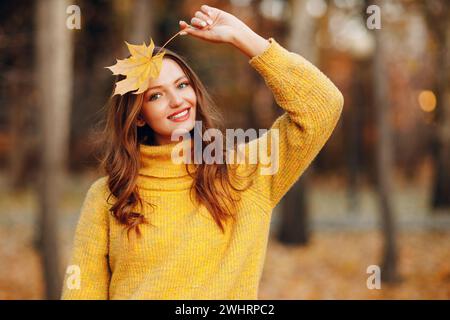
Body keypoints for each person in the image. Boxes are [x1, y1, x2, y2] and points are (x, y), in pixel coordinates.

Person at [61, 4, 344, 299]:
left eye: (182, 85)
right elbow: (82, 292)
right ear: (139, 115)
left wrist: (244, 38)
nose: (177, 100)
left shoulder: (244, 172)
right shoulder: (108, 195)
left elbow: (323, 106)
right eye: (156, 95)